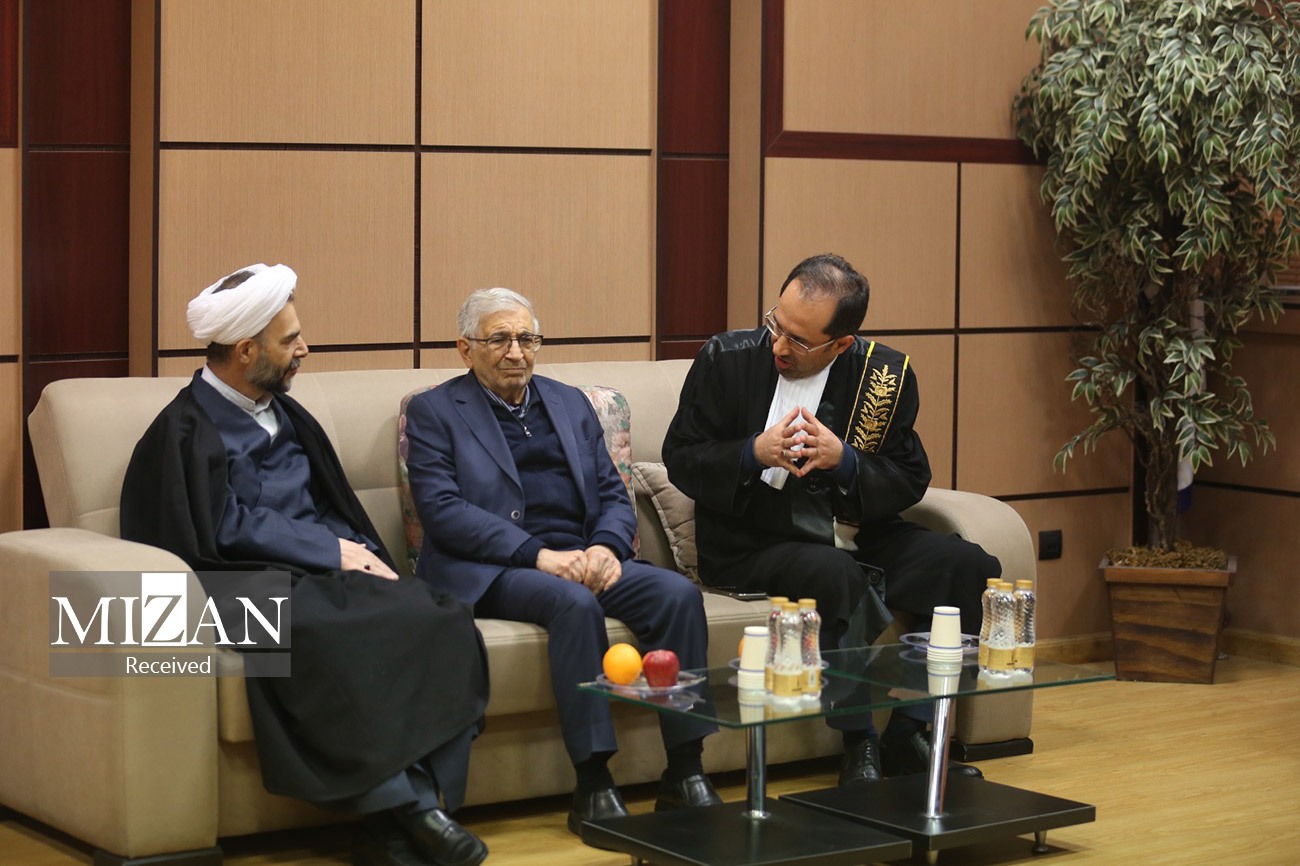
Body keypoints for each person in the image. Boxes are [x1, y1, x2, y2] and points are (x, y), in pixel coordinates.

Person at [120, 264, 490, 866]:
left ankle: (388, 830)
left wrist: (358, 551)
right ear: (246, 351)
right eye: (290, 340)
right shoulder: (182, 431)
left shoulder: (287, 412)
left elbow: (330, 505)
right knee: (324, 635)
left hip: (325, 571)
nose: (304, 349)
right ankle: (417, 810)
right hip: (239, 583)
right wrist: (328, 551)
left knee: (436, 613)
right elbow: (220, 527)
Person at [662, 253, 1001, 783]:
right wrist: (753, 452)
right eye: (776, 324)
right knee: (834, 573)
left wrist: (845, 461)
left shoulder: (883, 378)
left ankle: (910, 731)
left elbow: (909, 477)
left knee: (966, 565)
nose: (779, 345)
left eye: (799, 341)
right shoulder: (725, 360)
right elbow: (681, 455)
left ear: (841, 344)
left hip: (860, 535)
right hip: (757, 544)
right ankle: (859, 741)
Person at [402, 288, 721, 846]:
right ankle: (593, 781)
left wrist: (606, 547)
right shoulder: (434, 411)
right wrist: (537, 554)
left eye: (527, 338)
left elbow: (612, 491)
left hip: (580, 554)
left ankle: (686, 768)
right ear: (465, 348)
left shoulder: (569, 402)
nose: (516, 352)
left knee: (676, 595)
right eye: (499, 339)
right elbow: (443, 511)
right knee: (572, 604)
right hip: (495, 567)